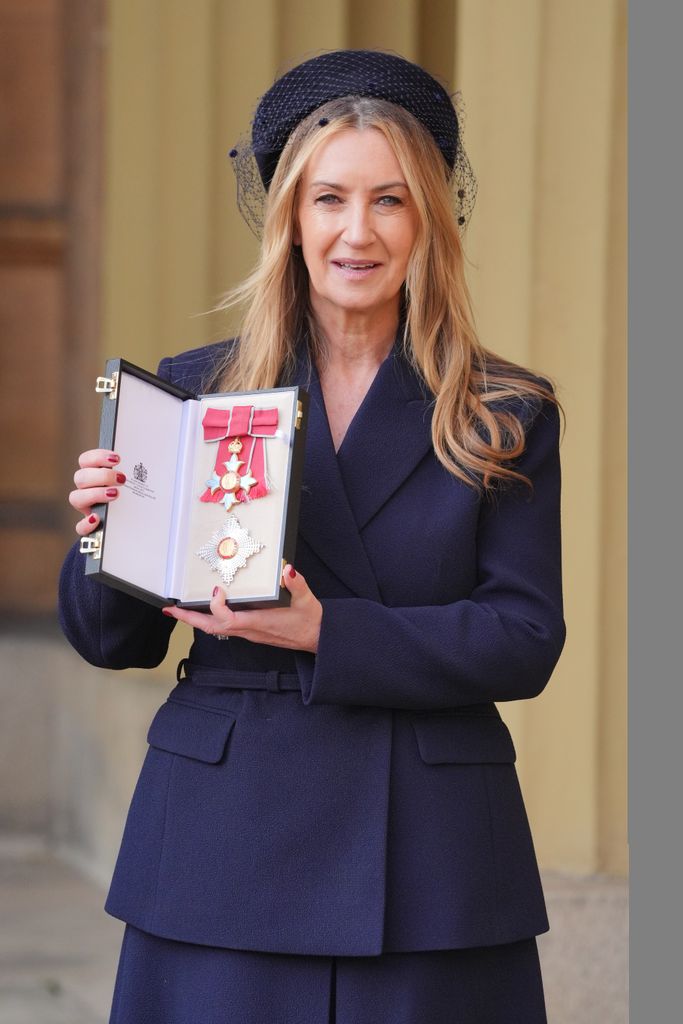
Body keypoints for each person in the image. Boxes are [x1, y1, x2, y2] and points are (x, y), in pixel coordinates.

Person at [60, 49, 565, 1024]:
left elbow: (522, 635)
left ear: (428, 220)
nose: (356, 231)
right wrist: (103, 528)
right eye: (329, 198)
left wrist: (329, 632)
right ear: (289, 216)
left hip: (428, 864)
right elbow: (112, 639)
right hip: (223, 848)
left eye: (389, 200)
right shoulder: (196, 389)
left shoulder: (502, 411)